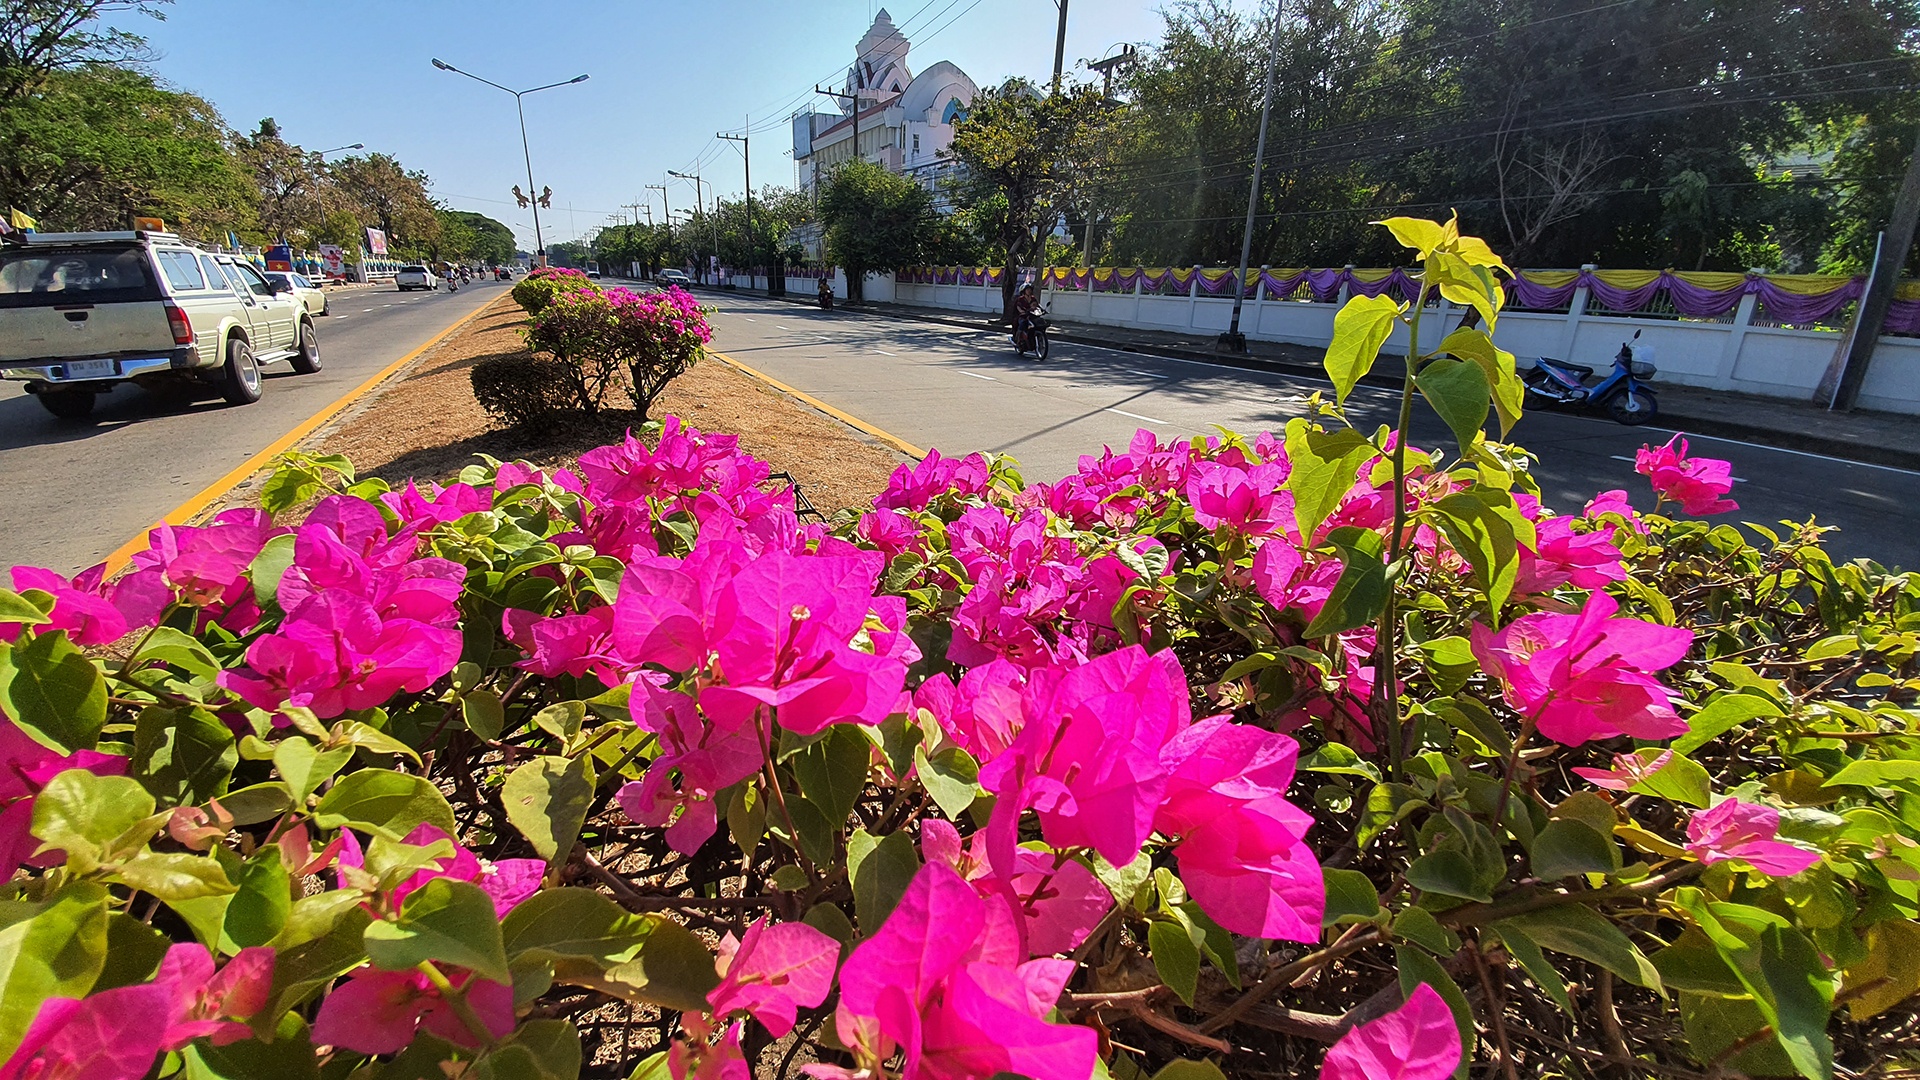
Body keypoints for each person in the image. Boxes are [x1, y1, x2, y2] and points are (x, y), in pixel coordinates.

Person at [1013, 284, 1041, 348]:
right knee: (1022, 324)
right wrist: (1022, 312)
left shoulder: (1033, 298)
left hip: (1032, 316)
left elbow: (1036, 306)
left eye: (1030, 289)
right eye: (1027, 290)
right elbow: (1018, 307)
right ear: (1024, 291)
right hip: (1023, 316)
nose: (1029, 291)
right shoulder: (1020, 299)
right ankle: (1017, 339)